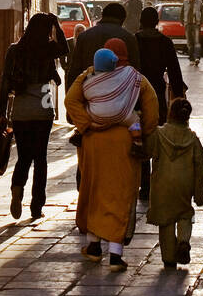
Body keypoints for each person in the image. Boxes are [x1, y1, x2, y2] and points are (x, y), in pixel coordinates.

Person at [65, 37, 159, 271]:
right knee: (120, 194)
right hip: (124, 143)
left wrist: (86, 124)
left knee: (94, 190)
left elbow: (70, 100)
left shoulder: (89, 76)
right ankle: (116, 255)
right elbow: (152, 107)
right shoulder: (136, 78)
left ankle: (94, 247)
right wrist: (143, 135)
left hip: (93, 143)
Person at [0, 11, 68, 221]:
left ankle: (17, 188)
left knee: (23, 156)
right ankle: (37, 206)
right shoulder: (47, 49)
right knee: (41, 159)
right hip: (43, 107)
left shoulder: (15, 50)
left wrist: (2, 113)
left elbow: (4, 81)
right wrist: (56, 24)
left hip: (21, 109)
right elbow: (65, 48)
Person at [146, 96, 203, 268]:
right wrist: (199, 194)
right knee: (185, 214)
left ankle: (169, 258)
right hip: (184, 185)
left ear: (169, 114)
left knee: (165, 221)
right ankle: (184, 242)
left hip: (162, 185)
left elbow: (147, 151)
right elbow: (200, 166)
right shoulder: (193, 140)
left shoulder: (159, 134)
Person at [135, 5, 186, 199]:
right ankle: (159, 178)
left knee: (140, 137)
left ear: (141, 21)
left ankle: (144, 185)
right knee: (158, 134)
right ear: (156, 22)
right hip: (156, 90)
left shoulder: (135, 40)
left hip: (138, 93)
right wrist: (179, 96)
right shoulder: (165, 42)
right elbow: (174, 70)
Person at [64, 1, 140, 87]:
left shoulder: (84, 36)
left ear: (102, 16)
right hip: (118, 92)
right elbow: (135, 70)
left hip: (88, 90)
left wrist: (71, 93)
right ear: (122, 19)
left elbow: (75, 69)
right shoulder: (128, 38)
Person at [180, 0, 203, 67]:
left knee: (197, 42)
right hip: (187, 25)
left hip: (196, 24)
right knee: (189, 42)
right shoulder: (185, 2)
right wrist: (183, 23)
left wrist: (200, 23)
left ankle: (197, 58)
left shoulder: (199, 2)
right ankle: (191, 59)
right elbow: (181, 14)